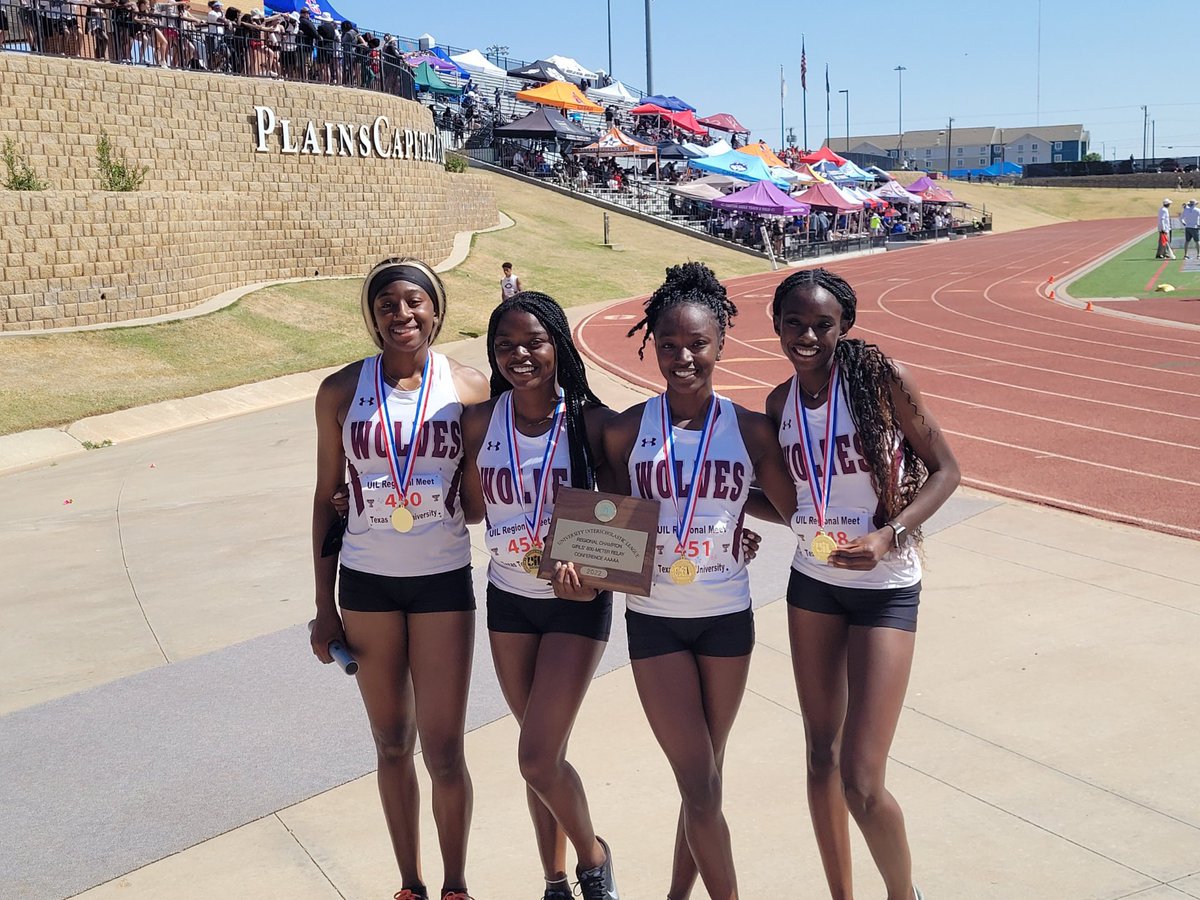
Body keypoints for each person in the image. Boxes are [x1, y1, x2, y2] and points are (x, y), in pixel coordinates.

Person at [602, 262, 797, 900]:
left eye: (696, 345)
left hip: (726, 619)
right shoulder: (627, 429)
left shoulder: (749, 429)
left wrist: (742, 517)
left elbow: (788, 504)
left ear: (721, 344)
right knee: (700, 781)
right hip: (656, 621)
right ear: (651, 344)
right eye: (668, 345)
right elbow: (606, 520)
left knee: (705, 776)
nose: (682, 357)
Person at [764, 268, 960, 900]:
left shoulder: (882, 382)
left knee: (862, 780)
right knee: (820, 756)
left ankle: (905, 895)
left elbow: (947, 471)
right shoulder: (779, 404)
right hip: (812, 584)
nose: (807, 335)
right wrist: (723, 515)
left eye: (822, 324)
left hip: (887, 587)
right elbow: (788, 503)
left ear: (844, 325)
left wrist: (889, 535)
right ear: (777, 326)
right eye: (794, 322)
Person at [310, 258, 490, 900]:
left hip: (442, 580)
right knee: (391, 743)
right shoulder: (340, 391)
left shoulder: (468, 388)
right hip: (366, 586)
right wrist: (323, 605)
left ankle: (456, 885)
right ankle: (410, 883)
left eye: (414, 303)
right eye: (386, 305)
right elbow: (326, 494)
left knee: (443, 749)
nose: (401, 315)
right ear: (372, 316)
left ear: (436, 311)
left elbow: (484, 494)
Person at [459, 292, 621, 900]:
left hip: (574, 605)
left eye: (533, 342)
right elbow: (473, 509)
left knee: (535, 755)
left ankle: (593, 858)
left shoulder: (590, 421)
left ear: (559, 344)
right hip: (508, 597)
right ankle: (553, 880)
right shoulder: (482, 421)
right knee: (540, 752)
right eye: (505, 345)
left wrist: (593, 573)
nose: (519, 355)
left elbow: (628, 522)